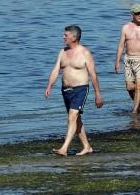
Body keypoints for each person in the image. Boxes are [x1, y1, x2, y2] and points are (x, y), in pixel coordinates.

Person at [44, 25, 104, 156]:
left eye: (66, 36)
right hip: (66, 90)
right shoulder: (62, 52)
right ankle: (87, 147)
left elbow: (93, 74)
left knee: (72, 116)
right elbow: (55, 71)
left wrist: (98, 95)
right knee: (76, 120)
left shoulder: (85, 53)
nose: (63, 37)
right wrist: (49, 86)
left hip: (80, 89)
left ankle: (64, 148)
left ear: (74, 37)